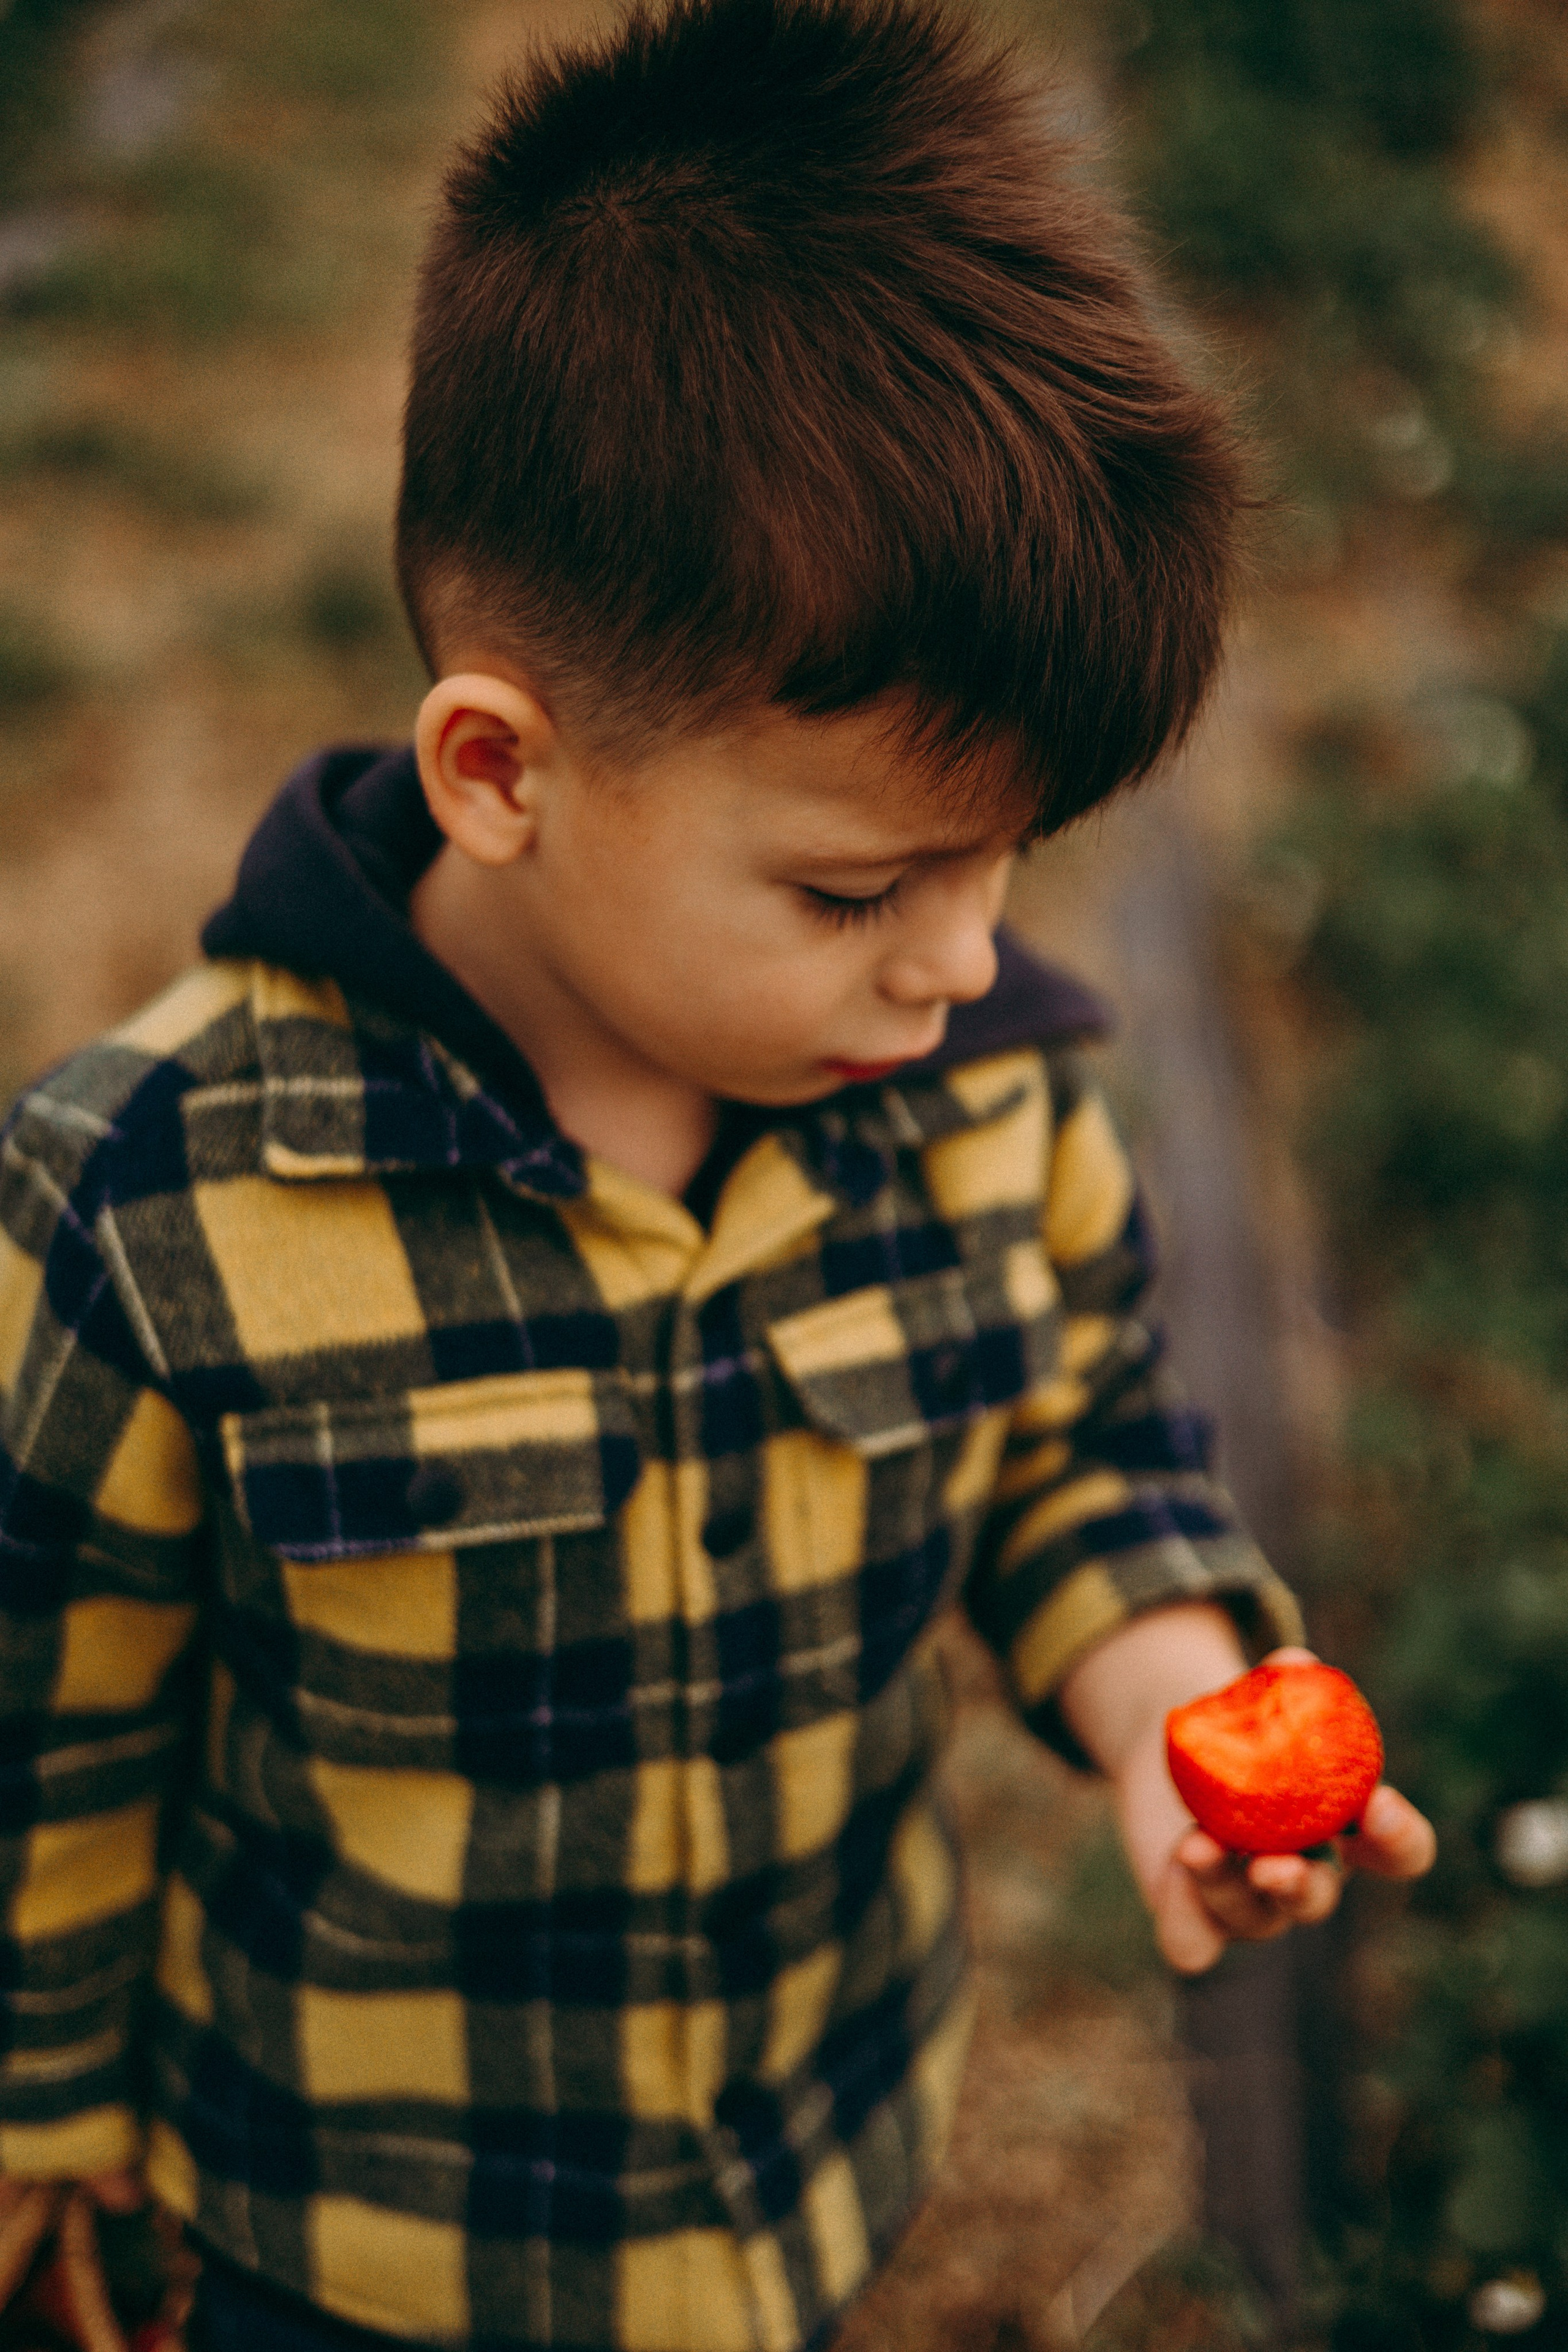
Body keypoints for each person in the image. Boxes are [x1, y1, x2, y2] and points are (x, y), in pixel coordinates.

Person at [0, 0, 1435, 2345]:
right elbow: (54, 1723)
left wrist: (1178, 1707)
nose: (959, 964)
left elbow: (1074, 1456)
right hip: (360, 2240)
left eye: (1007, 863)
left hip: (807, 2170)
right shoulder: (153, 1212)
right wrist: (50, 2124)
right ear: (500, 770)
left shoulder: (995, 1111)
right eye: (858, 890)